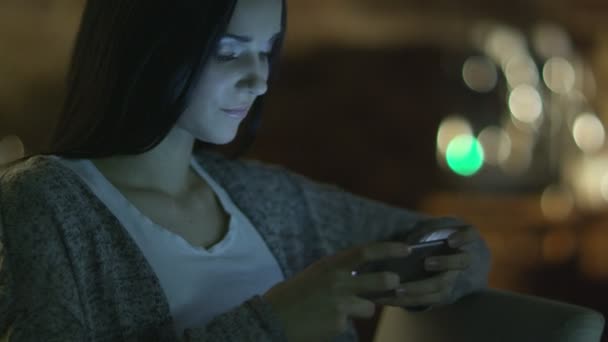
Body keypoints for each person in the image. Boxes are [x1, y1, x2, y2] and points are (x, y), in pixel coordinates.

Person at [0, 0, 491, 341]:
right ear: (146, 51)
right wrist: (273, 326)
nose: (259, 80)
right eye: (230, 52)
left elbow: (450, 237)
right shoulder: (44, 204)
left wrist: (456, 268)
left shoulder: (267, 199)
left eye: (266, 50)